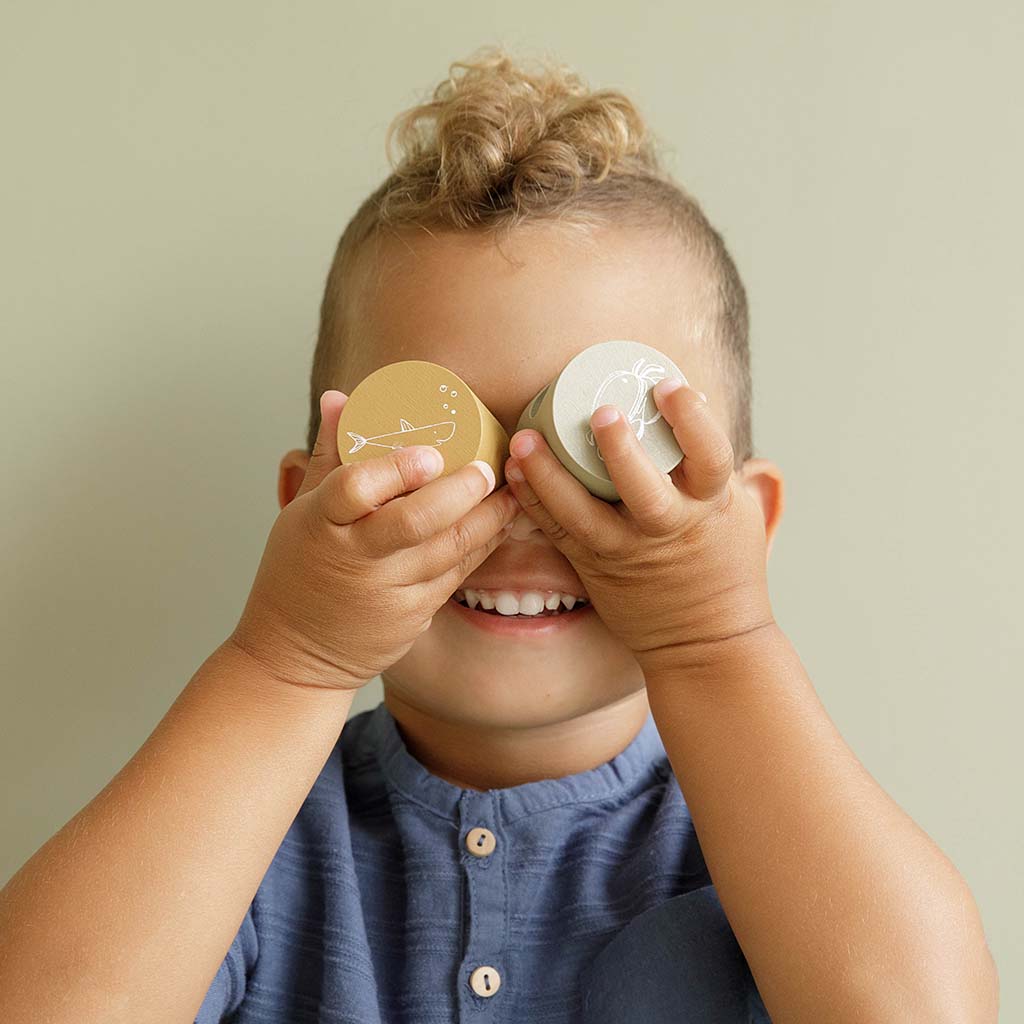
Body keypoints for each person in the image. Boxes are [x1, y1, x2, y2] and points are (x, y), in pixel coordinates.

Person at [0, 46, 998, 1024]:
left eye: (607, 459)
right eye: (432, 450)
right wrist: (286, 660)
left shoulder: (775, 850)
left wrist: (715, 640)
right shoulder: (234, 845)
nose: (522, 508)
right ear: (305, 509)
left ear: (751, 524)